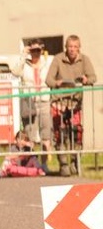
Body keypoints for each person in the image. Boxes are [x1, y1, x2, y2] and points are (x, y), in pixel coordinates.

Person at [46, 34, 98, 176]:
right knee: (60, 134)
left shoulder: (84, 60)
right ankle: (63, 164)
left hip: (75, 103)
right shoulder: (58, 59)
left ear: (79, 48)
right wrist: (57, 83)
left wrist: (86, 79)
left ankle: (75, 162)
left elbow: (94, 77)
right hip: (59, 102)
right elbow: (48, 79)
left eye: (75, 47)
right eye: (70, 47)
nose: (72, 50)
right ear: (66, 47)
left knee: (77, 132)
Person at [11, 39, 54, 168]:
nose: (35, 53)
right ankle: (32, 164)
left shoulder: (48, 63)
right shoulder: (25, 64)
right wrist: (23, 55)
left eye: (38, 50)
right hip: (29, 102)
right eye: (33, 50)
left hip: (44, 101)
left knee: (45, 135)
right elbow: (15, 72)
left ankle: (45, 164)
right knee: (30, 135)